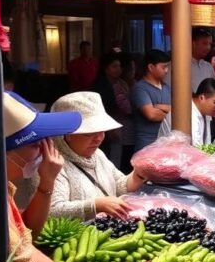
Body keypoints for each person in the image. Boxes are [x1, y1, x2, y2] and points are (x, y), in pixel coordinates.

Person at [0, 93, 194, 262]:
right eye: (34, 145)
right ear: (4, 153)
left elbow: (25, 246)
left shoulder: (5, 190)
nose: (43, 151)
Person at [49, 91, 148, 220]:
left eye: (102, 131)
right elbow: (52, 211)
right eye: (90, 133)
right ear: (67, 134)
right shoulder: (51, 164)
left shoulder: (98, 154)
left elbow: (119, 185)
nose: (99, 138)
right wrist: (96, 205)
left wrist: (139, 173)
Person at [4, 91, 78, 234]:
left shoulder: (4, 187)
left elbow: (26, 230)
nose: (46, 152)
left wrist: (47, 181)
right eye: (36, 144)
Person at [91, 51, 131, 167]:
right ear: (106, 69)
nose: (118, 69)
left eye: (119, 66)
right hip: (104, 127)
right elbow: (100, 109)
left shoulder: (121, 83)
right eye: (114, 66)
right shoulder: (100, 86)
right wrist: (110, 129)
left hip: (118, 125)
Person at [159, 78, 215, 146]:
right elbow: (195, 148)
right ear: (201, 98)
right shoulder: (188, 113)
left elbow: (205, 144)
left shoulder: (205, 112)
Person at [130, 49, 171, 153]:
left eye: (167, 67)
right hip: (146, 144)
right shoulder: (140, 88)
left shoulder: (167, 88)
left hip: (165, 143)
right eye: (163, 67)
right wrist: (172, 112)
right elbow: (151, 114)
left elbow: (178, 110)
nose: (166, 70)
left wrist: (161, 107)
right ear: (151, 67)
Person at [165, 28, 215, 93]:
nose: (208, 47)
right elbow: (167, 92)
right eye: (204, 43)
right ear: (193, 43)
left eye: (210, 44)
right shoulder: (174, 66)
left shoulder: (208, 67)